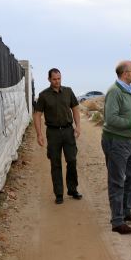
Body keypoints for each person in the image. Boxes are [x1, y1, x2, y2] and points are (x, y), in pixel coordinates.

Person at [102, 61, 131, 235]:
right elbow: (111, 119)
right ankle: (117, 221)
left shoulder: (127, 90)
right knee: (116, 181)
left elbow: (126, 115)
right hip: (115, 141)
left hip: (127, 140)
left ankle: (125, 211)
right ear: (125, 74)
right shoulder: (114, 92)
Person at [33, 68, 82, 204]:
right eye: (54, 79)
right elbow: (37, 114)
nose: (57, 81)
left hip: (68, 131)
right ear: (49, 79)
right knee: (55, 163)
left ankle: (72, 189)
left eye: (59, 78)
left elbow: (75, 108)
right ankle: (59, 194)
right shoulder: (43, 95)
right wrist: (39, 134)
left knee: (72, 160)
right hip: (53, 132)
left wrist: (78, 126)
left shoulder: (68, 91)